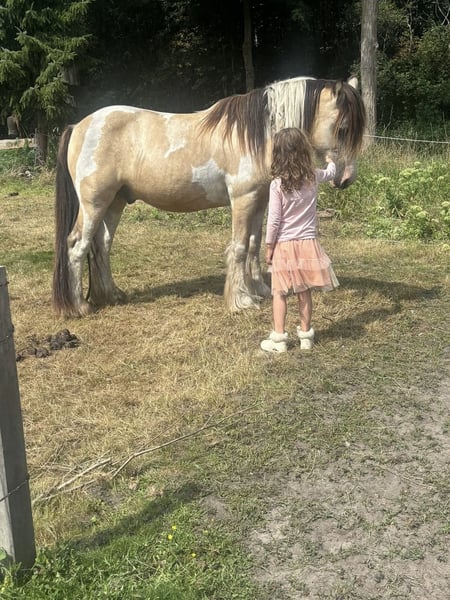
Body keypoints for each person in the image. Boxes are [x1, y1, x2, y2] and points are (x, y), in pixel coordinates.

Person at [260, 127, 339, 353]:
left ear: (278, 154)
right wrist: (330, 159)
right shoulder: (313, 176)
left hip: (284, 245)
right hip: (307, 244)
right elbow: (331, 173)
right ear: (304, 151)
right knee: (304, 291)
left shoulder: (277, 184)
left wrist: (269, 246)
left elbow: (274, 220)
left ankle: (279, 340)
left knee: (279, 292)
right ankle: (305, 337)